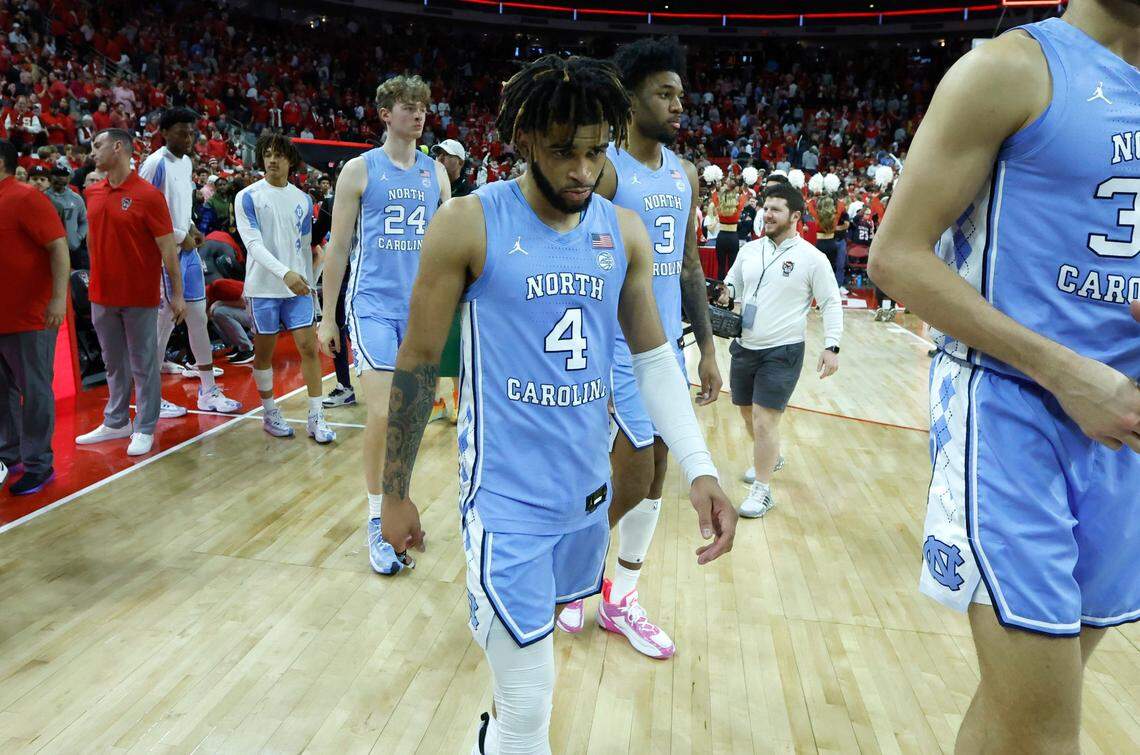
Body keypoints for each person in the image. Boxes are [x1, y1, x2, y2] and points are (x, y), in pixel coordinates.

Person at [378, 55, 735, 755]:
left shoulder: (622, 232)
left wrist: (699, 466)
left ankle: (492, 739)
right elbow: (418, 363)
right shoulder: (467, 223)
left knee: (531, 669)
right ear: (524, 140)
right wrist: (393, 493)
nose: (582, 169)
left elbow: (654, 360)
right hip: (504, 503)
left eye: (595, 152)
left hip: (586, 497)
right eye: (564, 150)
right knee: (530, 699)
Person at [868, 4, 1140, 752]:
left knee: (1015, 713)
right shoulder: (1009, 69)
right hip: (1011, 413)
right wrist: (1067, 374)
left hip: (1122, 430)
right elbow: (895, 257)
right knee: (1046, 734)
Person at [555, 38, 724, 660]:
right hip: (612, 343)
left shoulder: (684, 174)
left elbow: (689, 265)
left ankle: (618, 596)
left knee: (654, 475)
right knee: (633, 471)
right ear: (631, 99)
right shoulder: (606, 171)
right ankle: (571, 571)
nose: (678, 104)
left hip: (665, 343)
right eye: (664, 93)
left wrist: (708, 350)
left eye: (681, 94)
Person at [316, 75, 451, 575]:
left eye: (422, 106)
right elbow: (337, 249)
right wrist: (326, 316)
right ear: (385, 113)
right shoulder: (359, 170)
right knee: (382, 411)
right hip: (370, 305)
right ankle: (377, 519)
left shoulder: (436, 175)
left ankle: (397, 505)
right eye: (408, 106)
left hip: (419, 310)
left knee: (410, 418)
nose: (418, 114)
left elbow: (446, 250)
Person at [718, 183, 842, 516]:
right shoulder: (749, 250)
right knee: (746, 413)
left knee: (763, 419)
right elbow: (732, 284)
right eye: (766, 208)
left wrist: (832, 345)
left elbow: (831, 302)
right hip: (745, 345)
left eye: (776, 209)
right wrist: (725, 293)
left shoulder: (812, 259)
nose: (767, 215)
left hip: (783, 350)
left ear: (795, 216)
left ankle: (762, 491)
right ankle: (771, 456)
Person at [75, 129, 185, 457]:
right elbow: (93, 242)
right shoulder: (92, 193)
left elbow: (168, 249)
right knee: (113, 362)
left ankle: (146, 425)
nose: (92, 152)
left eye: (98, 145)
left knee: (144, 363)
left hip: (139, 294)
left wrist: (177, 294)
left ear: (118, 147)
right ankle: (117, 420)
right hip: (101, 294)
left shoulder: (148, 195)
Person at [139, 107, 242, 416]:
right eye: (181, 132)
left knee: (198, 318)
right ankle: (150, 400)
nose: (188, 138)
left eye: (191, 133)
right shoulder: (154, 164)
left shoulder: (185, 163)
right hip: (163, 255)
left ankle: (208, 391)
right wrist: (179, 234)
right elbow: (142, 212)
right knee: (162, 326)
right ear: (163, 133)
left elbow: (179, 208)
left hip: (187, 253)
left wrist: (192, 227)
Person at [235, 133, 335, 444]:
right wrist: (285, 273)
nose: (272, 160)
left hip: (297, 287)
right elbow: (253, 245)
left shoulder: (303, 199)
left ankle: (316, 416)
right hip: (263, 287)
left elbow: (305, 247)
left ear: (290, 160)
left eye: (278, 155)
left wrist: (308, 280)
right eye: (267, 154)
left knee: (309, 349)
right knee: (264, 353)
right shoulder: (248, 196)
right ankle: (269, 412)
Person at [0, 140, 69, 494]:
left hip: (30, 316)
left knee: (35, 390)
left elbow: (58, 247)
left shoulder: (27, 198)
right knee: (3, 391)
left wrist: (57, 299)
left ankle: (39, 463)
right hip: (3, 315)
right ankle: (8, 452)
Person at [44, 166, 88, 268]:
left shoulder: (76, 198)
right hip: (51, 249)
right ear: (50, 177)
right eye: (56, 175)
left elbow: (84, 220)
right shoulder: (43, 197)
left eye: (63, 175)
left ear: (68, 178)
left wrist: (78, 237)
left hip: (73, 249)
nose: (60, 178)